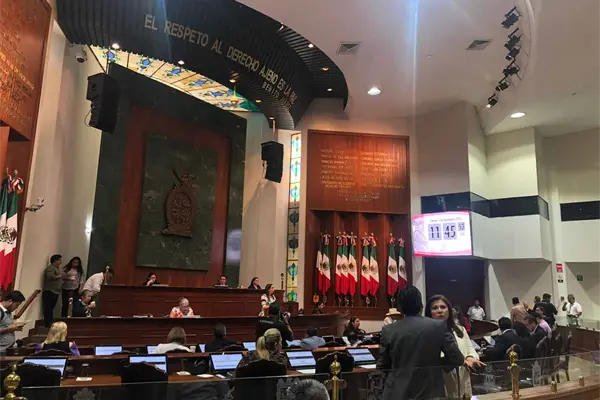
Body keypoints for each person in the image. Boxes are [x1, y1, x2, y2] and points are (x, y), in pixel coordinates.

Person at [377, 286, 464, 400]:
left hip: (397, 393)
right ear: (421, 305)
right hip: (430, 392)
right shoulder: (439, 326)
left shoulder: (388, 330)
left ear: (400, 308)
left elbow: (383, 366)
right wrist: (436, 364)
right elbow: (457, 358)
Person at [425, 294, 484, 399]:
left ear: (449, 310)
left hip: (463, 385)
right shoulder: (426, 333)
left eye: (443, 307)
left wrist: (470, 357)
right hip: (441, 387)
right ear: (429, 313)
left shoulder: (460, 329)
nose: (440, 311)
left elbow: (470, 349)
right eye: (435, 308)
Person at [43, 254, 63, 327]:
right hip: (50, 290)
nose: (61, 261)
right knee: (48, 307)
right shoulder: (51, 268)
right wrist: (59, 276)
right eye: (59, 260)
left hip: (55, 291)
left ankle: (50, 320)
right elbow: (49, 276)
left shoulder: (57, 268)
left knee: (51, 307)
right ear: (55, 260)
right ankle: (48, 322)